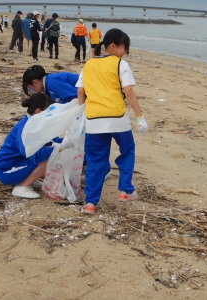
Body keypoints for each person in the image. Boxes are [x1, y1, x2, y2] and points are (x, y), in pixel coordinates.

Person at [76, 28, 148, 214]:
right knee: (127, 150)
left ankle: (91, 203)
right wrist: (140, 117)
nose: (124, 52)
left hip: (93, 120)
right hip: (117, 119)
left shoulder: (89, 64)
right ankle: (124, 191)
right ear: (114, 46)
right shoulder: (120, 64)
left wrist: (83, 112)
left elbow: (80, 92)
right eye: (124, 47)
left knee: (95, 161)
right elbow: (129, 91)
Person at [0, 93, 69, 199]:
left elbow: (51, 140)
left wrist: (68, 140)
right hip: (6, 170)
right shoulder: (24, 128)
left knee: (51, 154)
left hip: (18, 163)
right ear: (38, 111)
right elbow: (31, 153)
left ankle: (27, 179)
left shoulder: (36, 123)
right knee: (48, 159)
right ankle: (22, 186)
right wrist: (59, 147)